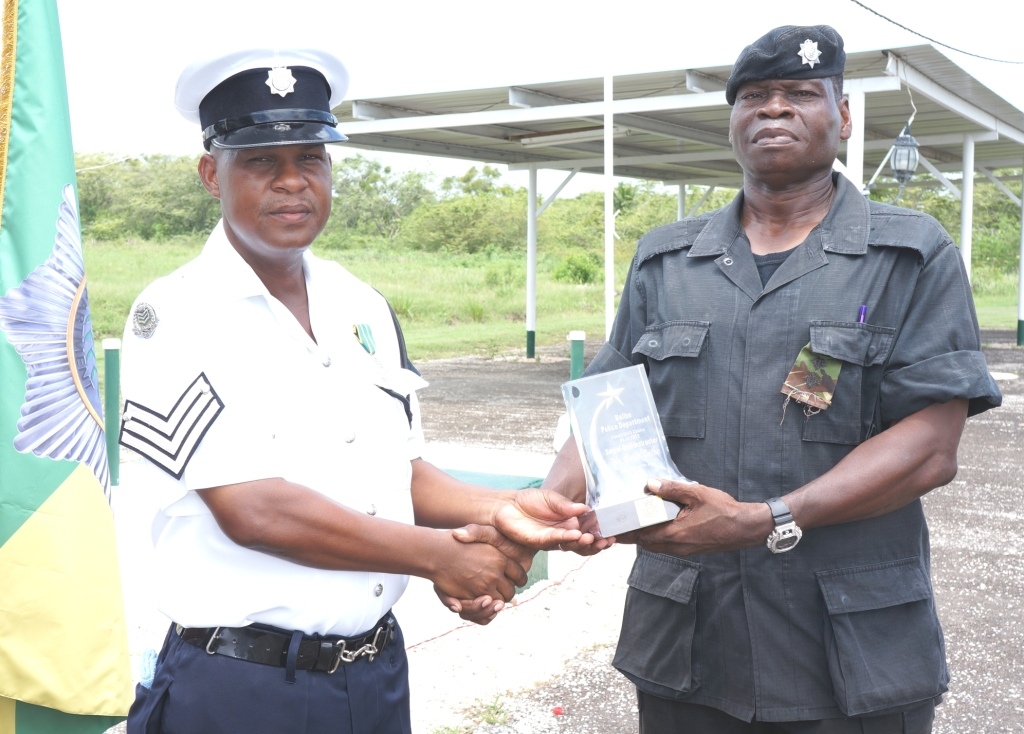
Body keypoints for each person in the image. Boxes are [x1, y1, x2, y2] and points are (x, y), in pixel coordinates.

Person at [541, 25, 1002, 733]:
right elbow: (606, 405)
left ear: (843, 117)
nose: (775, 109)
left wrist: (766, 521)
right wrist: (546, 513)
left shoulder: (909, 253)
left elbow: (931, 448)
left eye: (801, 94)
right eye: (754, 95)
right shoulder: (667, 261)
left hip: (849, 652)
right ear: (732, 121)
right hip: (692, 644)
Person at [119, 48, 590, 734]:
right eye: (260, 163)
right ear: (209, 174)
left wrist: (513, 509)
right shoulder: (176, 315)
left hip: (373, 674)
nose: (292, 183)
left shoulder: (359, 304)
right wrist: (441, 559)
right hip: (242, 690)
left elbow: (403, 472)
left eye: (310, 159)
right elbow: (255, 510)